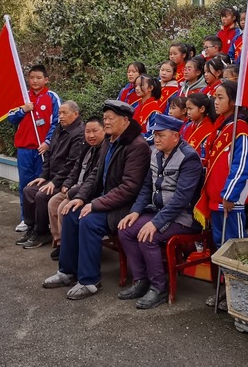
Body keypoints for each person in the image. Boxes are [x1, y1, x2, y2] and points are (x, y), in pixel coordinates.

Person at [42, 100, 150, 300]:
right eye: (105, 118)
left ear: (125, 120)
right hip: (106, 200)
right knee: (71, 211)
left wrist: (95, 204)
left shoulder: (137, 146)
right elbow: (95, 174)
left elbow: (129, 188)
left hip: (126, 207)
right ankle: (67, 271)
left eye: (110, 119)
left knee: (89, 221)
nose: (106, 123)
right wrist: (82, 197)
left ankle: (90, 281)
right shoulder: (110, 140)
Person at [117, 114, 203, 309]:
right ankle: (141, 281)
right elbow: (147, 186)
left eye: (161, 135)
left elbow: (182, 199)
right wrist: (136, 212)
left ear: (175, 135)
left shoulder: (189, 158)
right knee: (125, 230)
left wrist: (155, 223)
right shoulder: (155, 152)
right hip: (158, 210)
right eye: (155, 135)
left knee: (148, 236)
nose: (156, 139)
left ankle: (159, 288)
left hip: (183, 217)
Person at [193, 81, 248, 307]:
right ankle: (224, 290)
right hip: (215, 201)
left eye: (220, 97)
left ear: (233, 101)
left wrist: (230, 195)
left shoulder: (240, 129)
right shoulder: (221, 127)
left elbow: (242, 165)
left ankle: (239, 293)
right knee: (220, 247)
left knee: (234, 247)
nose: (215, 101)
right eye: (215, 97)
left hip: (230, 202)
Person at [19, 101, 86, 249]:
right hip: (52, 177)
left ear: (75, 114)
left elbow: (71, 164)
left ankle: (42, 232)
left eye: (64, 113)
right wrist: (44, 176)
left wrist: (54, 182)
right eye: (59, 113)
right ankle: (32, 228)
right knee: (28, 190)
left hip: (66, 181)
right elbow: (49, 154)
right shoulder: (59, 129)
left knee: (41, 196)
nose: (61, 116)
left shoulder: (79, 133)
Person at [6, 65, 61, 232]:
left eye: (39, 78)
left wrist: (48, 142)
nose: (35, 81)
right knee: (25, 185)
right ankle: (26, 218)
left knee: (42, 184)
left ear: (46, 80)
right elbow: (10, 118)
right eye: (32, 78)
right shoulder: (22, 97)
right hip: (24, 149)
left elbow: (58, 122)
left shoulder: (52, 97)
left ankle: (42, 220)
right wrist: (23, 110)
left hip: (42, 149)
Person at [47, 116, 105, 261]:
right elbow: (75, 169)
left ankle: (69, 247)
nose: (91, 135)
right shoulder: (85, 147)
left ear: (104, 131)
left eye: (95, 131)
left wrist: (74, 192)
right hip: (75, 187)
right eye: (87, 131)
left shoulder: (104, 151)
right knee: (52, 203)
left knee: (63, 209)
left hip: (87, 192)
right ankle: (60, 242)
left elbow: (94, 179)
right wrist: (67, 183)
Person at [180, 93, 215, 160]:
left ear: (202, 109)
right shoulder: (188, 125)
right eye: (187, 109)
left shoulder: (210, 130)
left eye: (190, 109)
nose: (188, 112)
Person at [132, 75, 163, 139]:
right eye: (136, 85)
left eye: (141, 85)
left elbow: (152, 135)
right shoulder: (137, 107)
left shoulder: (154, 110)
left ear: (150, 88)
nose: (137, 88)